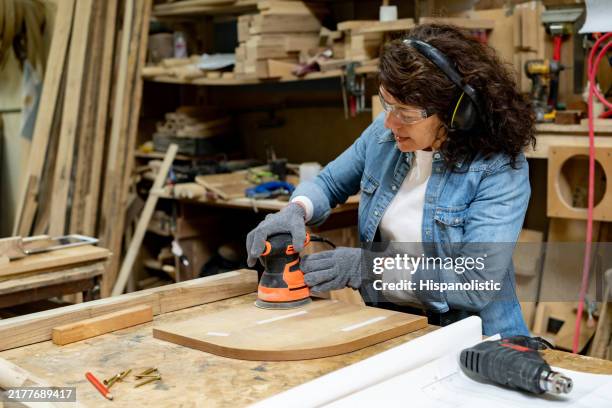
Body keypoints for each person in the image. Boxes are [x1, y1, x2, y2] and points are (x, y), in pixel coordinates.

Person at [246, 24, 536, 337]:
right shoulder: (383, 137)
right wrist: (296, 210)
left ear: (455, 114)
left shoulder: (499, 168)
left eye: (405, 113)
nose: (389, 122)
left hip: (476, 339)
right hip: (393, 328)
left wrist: (367, 268)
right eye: (387, 104)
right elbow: (328, 183)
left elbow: (475, 284)